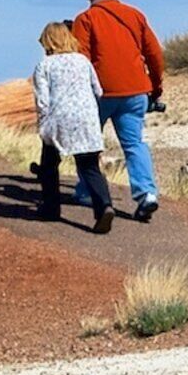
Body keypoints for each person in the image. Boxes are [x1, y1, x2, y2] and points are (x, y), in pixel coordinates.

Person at [67, 0, 165, 220]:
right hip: (136, 90)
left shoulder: (85, 19)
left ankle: (88, 191)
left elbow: (81, 60)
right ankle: (147, 194)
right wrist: (155, 87)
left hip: (99, 94)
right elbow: (154, 54)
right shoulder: (134, 15)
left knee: (89, 143)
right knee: (134, 144)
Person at [29, 21, 117, 232]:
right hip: (86, 118)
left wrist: (42, 124)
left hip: (59, 119)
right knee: (89, 166)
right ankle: (104, 206)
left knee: (49, 164)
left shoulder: (45, 65)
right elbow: (98, 90)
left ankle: (51, 208)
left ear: (48, 41)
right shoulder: (83, 61)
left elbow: (42, 101)